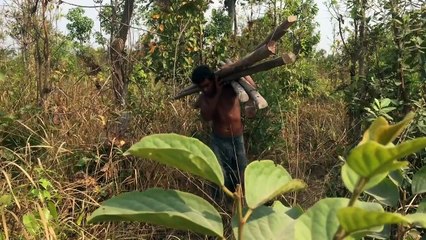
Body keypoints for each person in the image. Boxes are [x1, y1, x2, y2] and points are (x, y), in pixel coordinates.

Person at [191, 65, 256, 195]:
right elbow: (207, 116)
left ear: (213, 80)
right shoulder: (205, 98)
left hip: (237, 138)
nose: (205, 89)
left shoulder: (231, 88)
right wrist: (217, 93)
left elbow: (252, 87)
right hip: (219, 140)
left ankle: (242, 201)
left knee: (242, 171)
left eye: (207, 85)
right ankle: (221, 205)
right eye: (202, 87)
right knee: (220, 174)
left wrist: (236, 67)